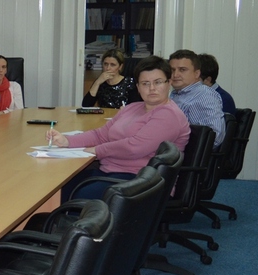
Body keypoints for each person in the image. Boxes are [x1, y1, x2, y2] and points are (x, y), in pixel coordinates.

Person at [47, 56, 191, 201]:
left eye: (158, 82)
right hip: (111, 172)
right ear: (138, 87)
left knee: (82, 195)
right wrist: (67, 141)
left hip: (143, 181)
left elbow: (135, 147)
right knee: (58, 186)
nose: (152, 88)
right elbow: (100, 135)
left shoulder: (169, 114)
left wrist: (98, 150)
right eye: (145, 83)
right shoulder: (132, 108)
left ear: (169, 83)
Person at [168, 50, 226, 148]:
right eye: (172, 70)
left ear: (196, 73)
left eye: (182, 70)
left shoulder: (204, 95)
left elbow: (214, 137)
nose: (175, 75)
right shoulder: (175, 94)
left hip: (184, 153)